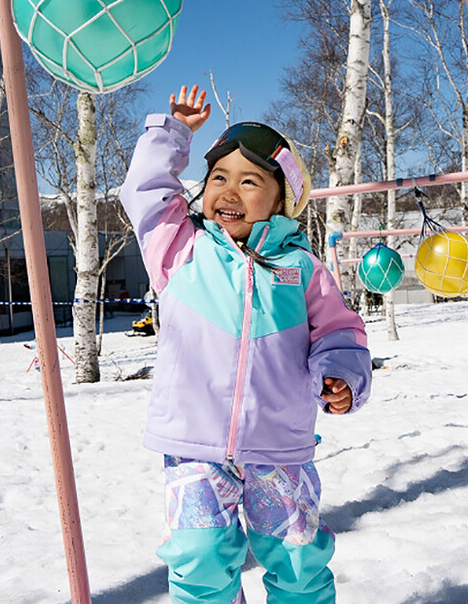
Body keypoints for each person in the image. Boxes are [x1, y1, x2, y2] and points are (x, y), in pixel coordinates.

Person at [120, 85, 372, 602]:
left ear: (282, 200)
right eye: (218, 178)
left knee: (297, 557)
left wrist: (344, 376)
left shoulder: (301, 269)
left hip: (280, 447)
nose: (229, 191)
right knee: (200, 557)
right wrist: (175, 134)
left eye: (249, 180)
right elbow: (144, 193)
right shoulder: (179, 250)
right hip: (194, 446)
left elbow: (341, 332)